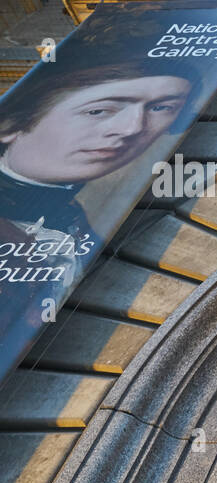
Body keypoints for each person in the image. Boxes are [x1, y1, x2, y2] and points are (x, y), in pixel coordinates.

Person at [0, 57, 201, 346]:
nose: (132, 128)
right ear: (11, 124)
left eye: (161, 108)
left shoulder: (78, 222)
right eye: (98, 110)